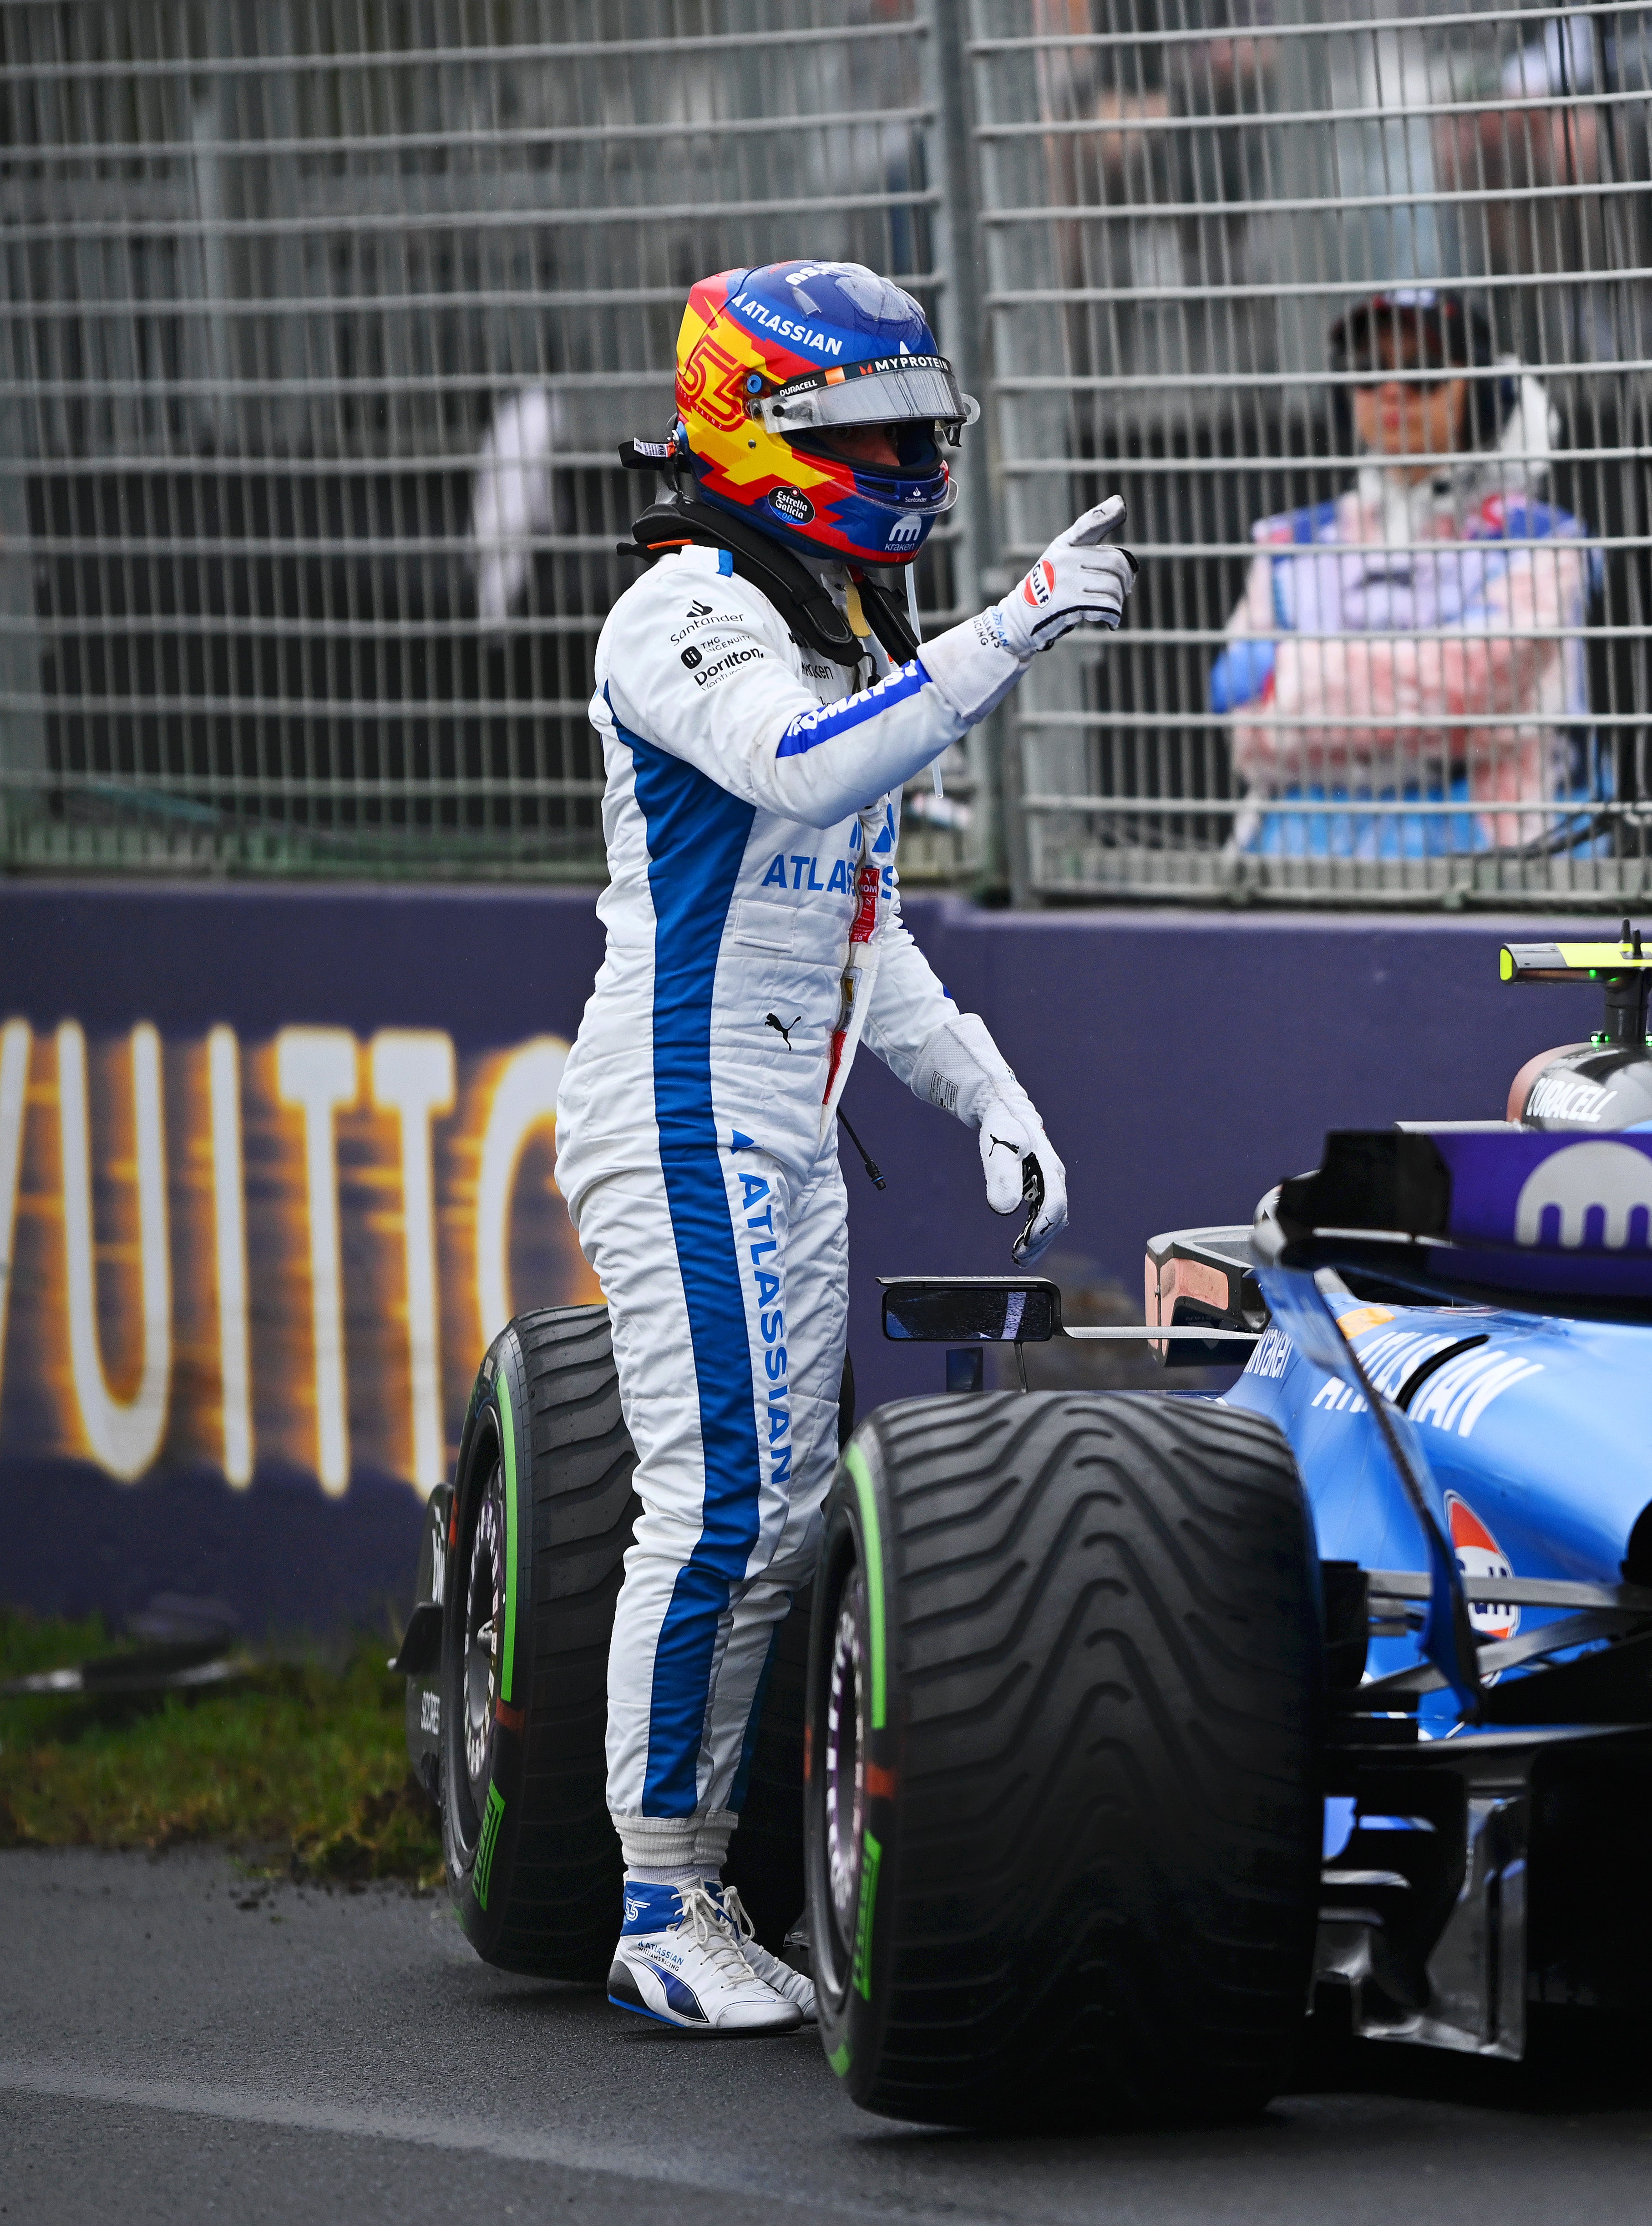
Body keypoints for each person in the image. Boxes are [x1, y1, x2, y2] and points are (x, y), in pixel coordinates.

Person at [559, 260, 1133, 2032]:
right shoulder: (686, 611)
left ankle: (700, 1875)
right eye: (862, 429)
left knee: (790, 1511)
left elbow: (857, 926)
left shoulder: (839, 620)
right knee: (722, 1499)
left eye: (914, 424)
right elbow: (802, 776)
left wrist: (984, 1087)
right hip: (678, 1110)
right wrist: (1014, 627)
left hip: (784, 1124)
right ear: (756, 430)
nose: (903, 457)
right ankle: (656, 1901)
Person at [1211, 290, 1594, 858]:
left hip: (1497, 856)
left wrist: (1291, 683)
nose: (1392, 390)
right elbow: (1246, 732)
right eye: (1370, 372)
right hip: (1303, 859)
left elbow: (1477, 695)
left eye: (1421, 370)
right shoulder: (1289, 543)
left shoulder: (1544, 542)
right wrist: (1428, 690)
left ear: (1482, 390)